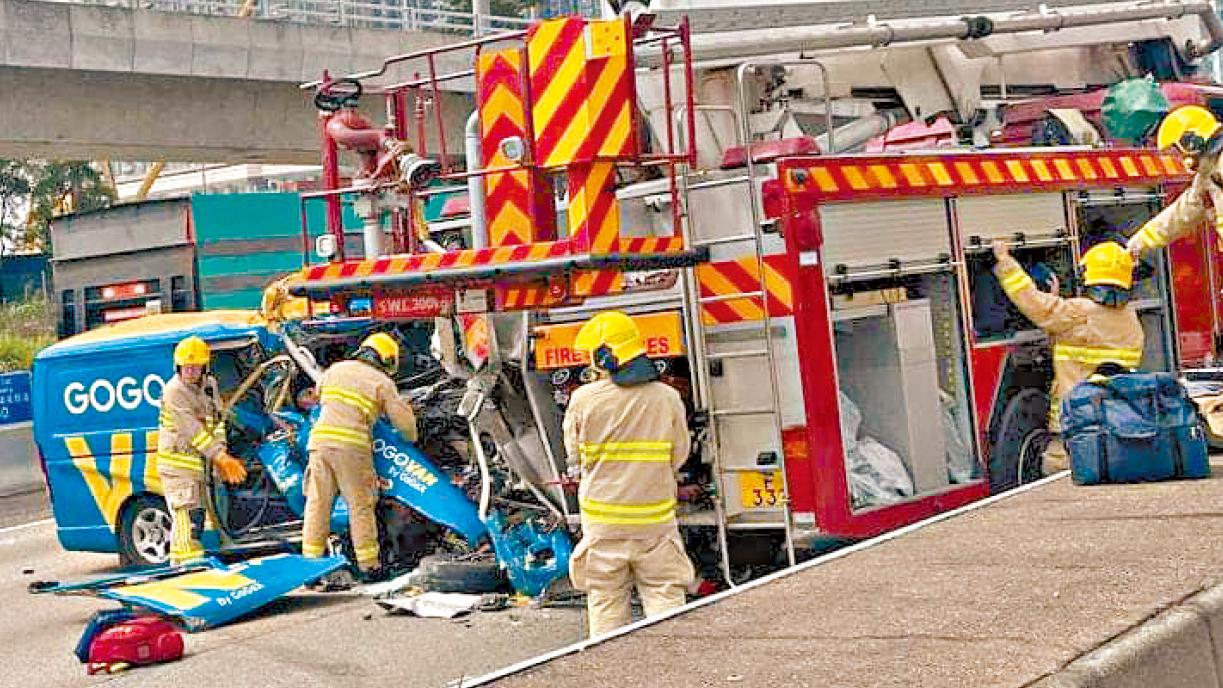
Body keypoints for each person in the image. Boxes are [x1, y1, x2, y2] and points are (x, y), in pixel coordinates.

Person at [563, 311, 695, 637]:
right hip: (655, 521)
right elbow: (679, 453)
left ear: (604, 355)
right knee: (665, 595)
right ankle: (675, 661)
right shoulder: (667, 398)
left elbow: (574, 455)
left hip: (603, 523)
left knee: (606, 601)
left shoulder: (583, 399)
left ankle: (614, 665)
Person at [993, 240, 1144, 473]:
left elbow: (1033, 302)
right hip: (1116, 422)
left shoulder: (1078, 313)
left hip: (1075, 427)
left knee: (1062, 479)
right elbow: (1082, 340)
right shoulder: (1130, 319)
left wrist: (1005, 261)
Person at [301, 332, 417, 581]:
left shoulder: (335, 370)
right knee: (360, 504)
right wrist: (412, 437)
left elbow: (319, 396)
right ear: (386, 360)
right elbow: (405, 424)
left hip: (319, 444)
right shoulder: (381, 382)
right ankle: (370, 566)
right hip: (351, 447)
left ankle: (310, 567)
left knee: (317, 504)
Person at [157, 336, 248, 565]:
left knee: (197, 518)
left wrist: (221, 454)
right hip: (178, 466)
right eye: (186, 367)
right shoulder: (174, 391)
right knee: (187, 519)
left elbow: (217, 421)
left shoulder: (209, 386)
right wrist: (221, 457)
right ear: (178, 366)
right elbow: (193, 431)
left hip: (198, 465)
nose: (190, 372)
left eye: (195, 367)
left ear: (204, 367)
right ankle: (183, 567)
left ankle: (190, 564)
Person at [1127, 105, 1223, 256]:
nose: (1182, 158)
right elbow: (1180, 215)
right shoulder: (1208, 175)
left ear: (1190, 142)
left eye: (1179, 151)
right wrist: (1136, 246)